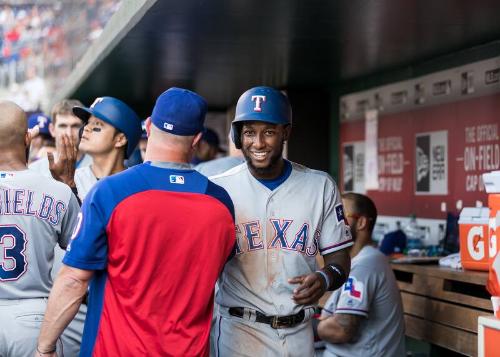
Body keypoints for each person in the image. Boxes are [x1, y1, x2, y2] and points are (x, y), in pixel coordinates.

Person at [36, 87, 236, 357]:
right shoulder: (221, 202)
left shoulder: (111, 192)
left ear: (150, 126)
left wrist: (44, 347)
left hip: (117, 350)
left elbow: (73, 280)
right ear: (197, 138)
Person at [210, 86, 353, 356]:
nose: (259, 143)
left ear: (285, 133)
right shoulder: (219, 189)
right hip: (239, 331)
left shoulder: (319, 185)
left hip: (299, 333)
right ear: (238, 136)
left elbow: (340, 260)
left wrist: (324, 277)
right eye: (250, 132)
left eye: (269, 132)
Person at [0, 101, 80, 357]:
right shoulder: (58, 191)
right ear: (27, 138)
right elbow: (80, 251)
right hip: (34, 320)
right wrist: (69, 185)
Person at [317, 192, 406, 357]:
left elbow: (341, 330)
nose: (332, 223)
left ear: (361, 223)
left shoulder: (366, 264)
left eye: (340, 216)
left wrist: (313, 325)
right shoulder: (355, 261)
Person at [72, 96, 142, 200]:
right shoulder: (73, 180)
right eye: (87, 123)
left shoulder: (138, 186)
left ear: (120, 139)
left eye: (97, 124)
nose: (86, 128)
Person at [29, 99, 92, 176]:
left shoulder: (98, 165)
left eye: (75, 126)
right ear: (52, 130)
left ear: (84, 128)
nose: (69, 133)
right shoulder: (36, 171)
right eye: (63, 126)